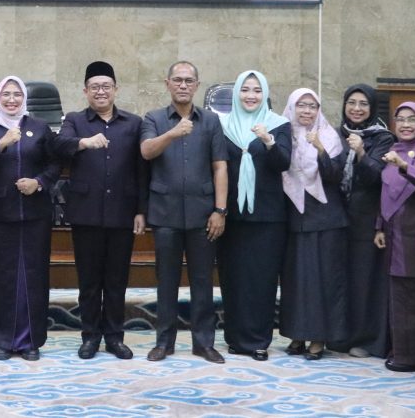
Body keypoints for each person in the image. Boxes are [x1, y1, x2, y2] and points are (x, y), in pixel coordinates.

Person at [55, 61, 145, 360]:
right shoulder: (75, 120)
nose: (101, 91)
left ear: (116, 90)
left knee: (117, 281)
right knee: (89, 282)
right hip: (86, 213)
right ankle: (90, 337)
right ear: (85, 91)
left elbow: (141, 170)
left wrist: (141, 210)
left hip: (122, 212)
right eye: (95, 87)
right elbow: (60, 146)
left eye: (106, 86)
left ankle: (115, 338)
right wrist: (83, 142)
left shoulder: (133, 123)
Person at [139, 61, 227, 364]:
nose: (183, 85)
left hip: (204, 214)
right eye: (177, 80)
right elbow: (147, 151)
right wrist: (173, 133)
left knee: (203, 281)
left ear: (197, 85)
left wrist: (220, 210)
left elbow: (220, 167)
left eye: (189, 80)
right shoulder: (153, 118)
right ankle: (164, 342)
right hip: (165, 213)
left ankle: (204, 343)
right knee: (167, 281)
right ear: (167, 84)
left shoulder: (212, 121)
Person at [0, 76, 62, 361]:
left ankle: (31, 341)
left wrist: (39, 182)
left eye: (17, 95)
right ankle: (3, 341)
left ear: (24, 98)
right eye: (6, 95)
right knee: (2, 277)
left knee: (34, 276)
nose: (11, 100)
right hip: (0, 214)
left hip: (35, 213)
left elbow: (55, 163)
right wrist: (1, 143)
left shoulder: (39, 127)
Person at [217, 70, 291, 362]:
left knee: (261, 281)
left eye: (257, 90)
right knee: (232, 278)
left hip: (268, 217)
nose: (251, 95)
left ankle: (259, 341)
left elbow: (284, 163)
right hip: (231, 216)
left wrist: (269, 141)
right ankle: (235, 338)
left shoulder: (279, 124)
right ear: (236, 93)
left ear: (265, 95)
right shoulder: (222, 125)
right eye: (245, 90)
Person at [279, 88, 349, 361]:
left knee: (323, 282)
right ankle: (297, 334)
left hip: (327, 218)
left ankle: (319, 338)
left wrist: (319, 148)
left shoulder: (331, 137)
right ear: (292, 108)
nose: (307, 111)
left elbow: (334, 176)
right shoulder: (286, 136)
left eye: (312, 106)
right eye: (302, 106)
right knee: (296, 281)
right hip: (296, 218)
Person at [329, 84, 394, 359]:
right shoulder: (333, 135)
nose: (356, 108)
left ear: (372, 108)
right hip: (336, 219)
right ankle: (340, 336)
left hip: (367, 220)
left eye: (363, 104)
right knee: (340, 280)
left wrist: (362, 154)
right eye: (351, 102)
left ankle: (367, 339)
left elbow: (379, 178)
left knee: (364, 281)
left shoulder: (383, 138)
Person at [375, 102, 415, 373]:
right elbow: (385, 192)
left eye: (412, 119)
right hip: (392, 233)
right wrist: (378, 226)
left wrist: (404, 167)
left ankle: (414, 356)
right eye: (400, 119)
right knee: (398, 296)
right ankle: (400, 350)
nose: (406, 124)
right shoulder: (393, 150)